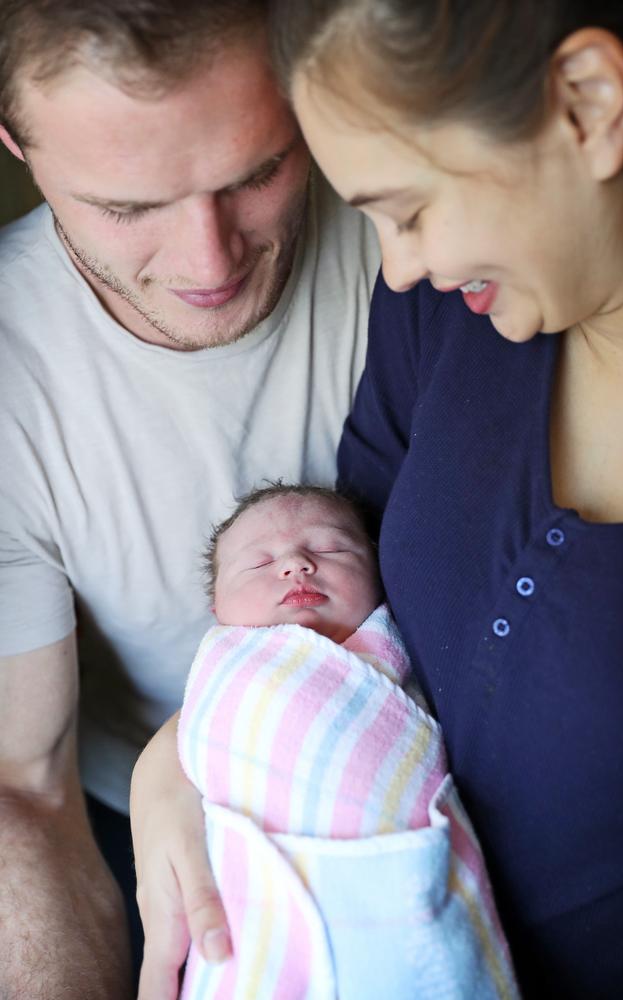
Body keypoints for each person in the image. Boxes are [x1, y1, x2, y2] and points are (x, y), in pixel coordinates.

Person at [129, 2, 623, 998]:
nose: (398, 263)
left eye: (407, 210)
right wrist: (177, 753)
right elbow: (339, 581)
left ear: (586, 105)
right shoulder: (441, 314)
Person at [0, 1, 380, 996]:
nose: (209, 263)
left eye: (258, 173)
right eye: (128, 208)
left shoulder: (411, 223)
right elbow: (24, 788)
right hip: (139, 822)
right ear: (19, 149)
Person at [177, 483, 518, 999]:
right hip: (257, 911)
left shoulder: (407, 653)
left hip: (400, 900)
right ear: (215, 604)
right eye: (259, 563)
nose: (295, 564)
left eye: (331, 548)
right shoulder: (225, 668)